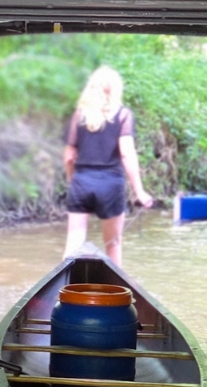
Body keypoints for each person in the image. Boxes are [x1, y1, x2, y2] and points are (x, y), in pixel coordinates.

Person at [62, 65, 153, 266]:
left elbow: (69, 156)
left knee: (74, 242)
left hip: (81, 183)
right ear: (115, 89)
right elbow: (127, 153)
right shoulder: (123, 115)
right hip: (110, 185)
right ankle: (114, 284)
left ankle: (64, 282)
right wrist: (139, 191)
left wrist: (73, 180)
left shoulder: (79, 115)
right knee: (113, 244)